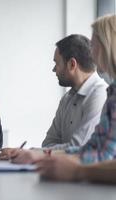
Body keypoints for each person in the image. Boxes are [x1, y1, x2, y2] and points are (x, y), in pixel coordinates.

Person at [0, 34, 108, 162]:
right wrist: (39, 153)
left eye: (57, 63)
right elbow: (49, 143)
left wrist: (33, 152)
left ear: (72, 64)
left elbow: (79, 146)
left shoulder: (101, 94)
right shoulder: (67, 97)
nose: (53, 69)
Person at [37, 15, 116, 182]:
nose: (91, 54)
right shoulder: (112, 93)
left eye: (94, 45)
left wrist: (77, 171)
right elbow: (95, 147)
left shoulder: (101, 93)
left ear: (108, 46)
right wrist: (39, 154)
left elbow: (103, 154)